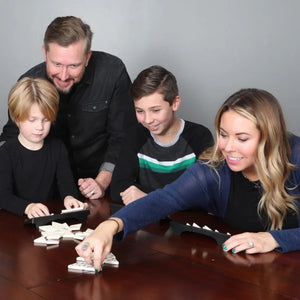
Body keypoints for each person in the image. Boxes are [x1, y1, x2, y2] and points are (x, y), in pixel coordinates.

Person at [75, 88, 300, 272]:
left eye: (242, 138)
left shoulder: (296, 157)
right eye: (223, 134)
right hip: (246, 271)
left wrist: (274, 239)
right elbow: (163, 199)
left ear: (269, 138)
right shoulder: (213, 169)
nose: (228, 148)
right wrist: (108, 227)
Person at [0, 16, 137, 200]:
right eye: (56, 64)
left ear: (87, 57)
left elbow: (123, 136)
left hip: (104, 183)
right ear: (45, 53)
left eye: (73, 65)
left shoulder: (112, 73)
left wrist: (101, 181)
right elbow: (11, 137)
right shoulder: (29, 82)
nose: (63, 76)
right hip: (48, 191)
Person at [111, 65, 214, 205]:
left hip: (185, 224)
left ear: (175, 103)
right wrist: (174, 198)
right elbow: (118, 189)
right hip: (148, 223)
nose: (147, 120)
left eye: (156, 110)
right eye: (140, 111)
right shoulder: (135, 136)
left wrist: (149, 197)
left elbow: (206, 194)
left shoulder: (199, 136)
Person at [0, 77, 86, 218]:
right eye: (32, 120)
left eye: (46, 120)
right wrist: (27, 207)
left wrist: (69, 197)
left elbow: (66, 183)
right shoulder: (6, 153)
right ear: (16, 117)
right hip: (14, 222)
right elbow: (3, 195)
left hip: (48, 219)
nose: (39, 127)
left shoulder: (57, 147)